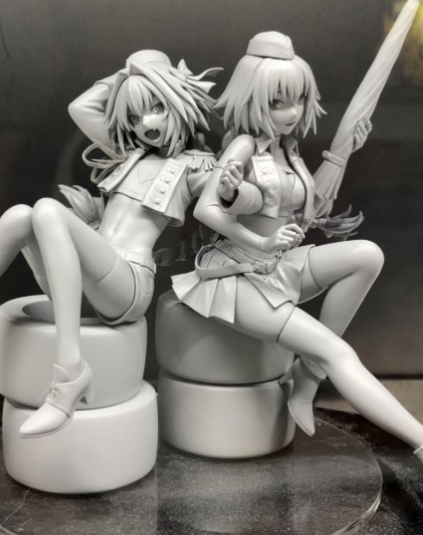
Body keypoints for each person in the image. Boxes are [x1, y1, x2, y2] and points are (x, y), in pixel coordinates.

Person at [172, 32, 423, 460]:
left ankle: (307, 376)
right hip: (238, 276)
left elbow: (308, 210)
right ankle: (419, 441)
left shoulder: (288, 150)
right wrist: (261, 237)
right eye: (277, 102)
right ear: (253, 98)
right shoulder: (242, 145)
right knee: (338, 352)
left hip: (278, 264)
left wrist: (346, 152)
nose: (291, 113)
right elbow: (207, 209)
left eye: (299, 100)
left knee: (367, 256)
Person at [0, 49, 219, 437]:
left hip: (127, 283)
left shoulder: (196, 165)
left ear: (178, 101)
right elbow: (81, 107)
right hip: (86, 279)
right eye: (134, 116)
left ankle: (70, 372)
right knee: (19, 217)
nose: (146, 123)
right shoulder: (128, 155)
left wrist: (238, 191)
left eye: (157, 108)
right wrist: (131, 73)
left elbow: (226, 202)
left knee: (47, 210)